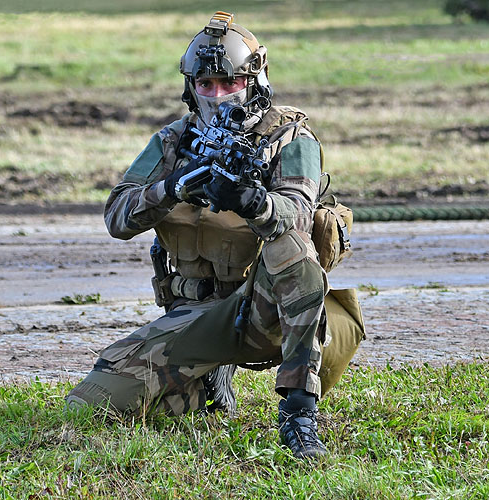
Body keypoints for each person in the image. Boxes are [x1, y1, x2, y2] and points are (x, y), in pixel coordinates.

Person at [66, 11, 364, 459]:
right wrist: (173, 187)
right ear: (191, 87)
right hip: (199, 315)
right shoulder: (173, 141)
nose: (218, 95)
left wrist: (251, 201)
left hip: (279, 317)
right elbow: (117, 216)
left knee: (290, 241)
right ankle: (207, 381)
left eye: (230, 83)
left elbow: (297, 210)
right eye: (206, 84)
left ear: (256, 81)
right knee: (93, 405)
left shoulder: (289, 138)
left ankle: (300, 414)